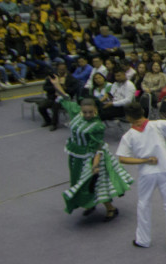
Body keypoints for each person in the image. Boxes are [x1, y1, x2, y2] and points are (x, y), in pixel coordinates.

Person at [49, 77, 133, 221]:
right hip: (76, 156)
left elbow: (98, 147)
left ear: (95, 110)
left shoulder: (97, 126)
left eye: (91, 112)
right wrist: (57, 86)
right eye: (85, 112)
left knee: (98, 184)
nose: (87, 115)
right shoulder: (77, 113)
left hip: (93, 158)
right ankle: (89, 203)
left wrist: (94, 166)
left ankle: (110, 208)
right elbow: (67, 99)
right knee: (79, 182)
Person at [117, 100, 166, 251]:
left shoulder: (129, 135)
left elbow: (122, 158)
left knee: (144, 204)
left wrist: (144, 160)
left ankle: (143, 240)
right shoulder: (157, 124)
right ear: (143, 112)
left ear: (128, 117)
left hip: (146, 173)